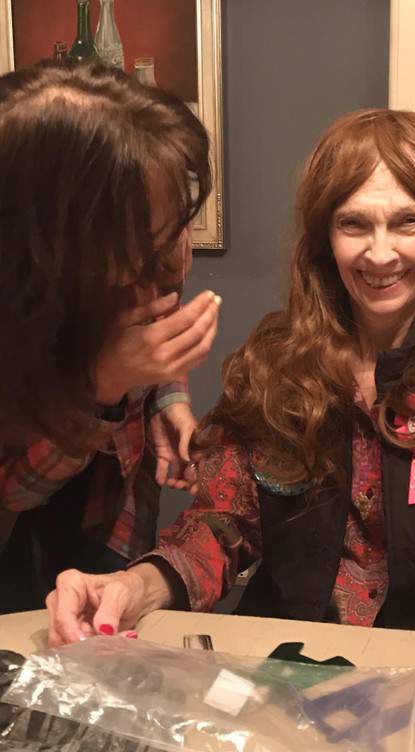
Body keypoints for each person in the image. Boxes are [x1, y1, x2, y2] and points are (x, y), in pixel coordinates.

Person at [47, 109, 415, 646]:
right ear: (323, 237)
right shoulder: (275, 364)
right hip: (290, 673)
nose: (379, 253)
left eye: (407, 221)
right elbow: (219, 525)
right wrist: (132, 586)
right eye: (353, 223)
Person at [0, 60, 221, 613]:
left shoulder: (150, 254)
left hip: (112, 523)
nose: (175, 255)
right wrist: (101, 388)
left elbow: (149, 322)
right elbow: (14, 494)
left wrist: (168, 396)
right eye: (151, 232)